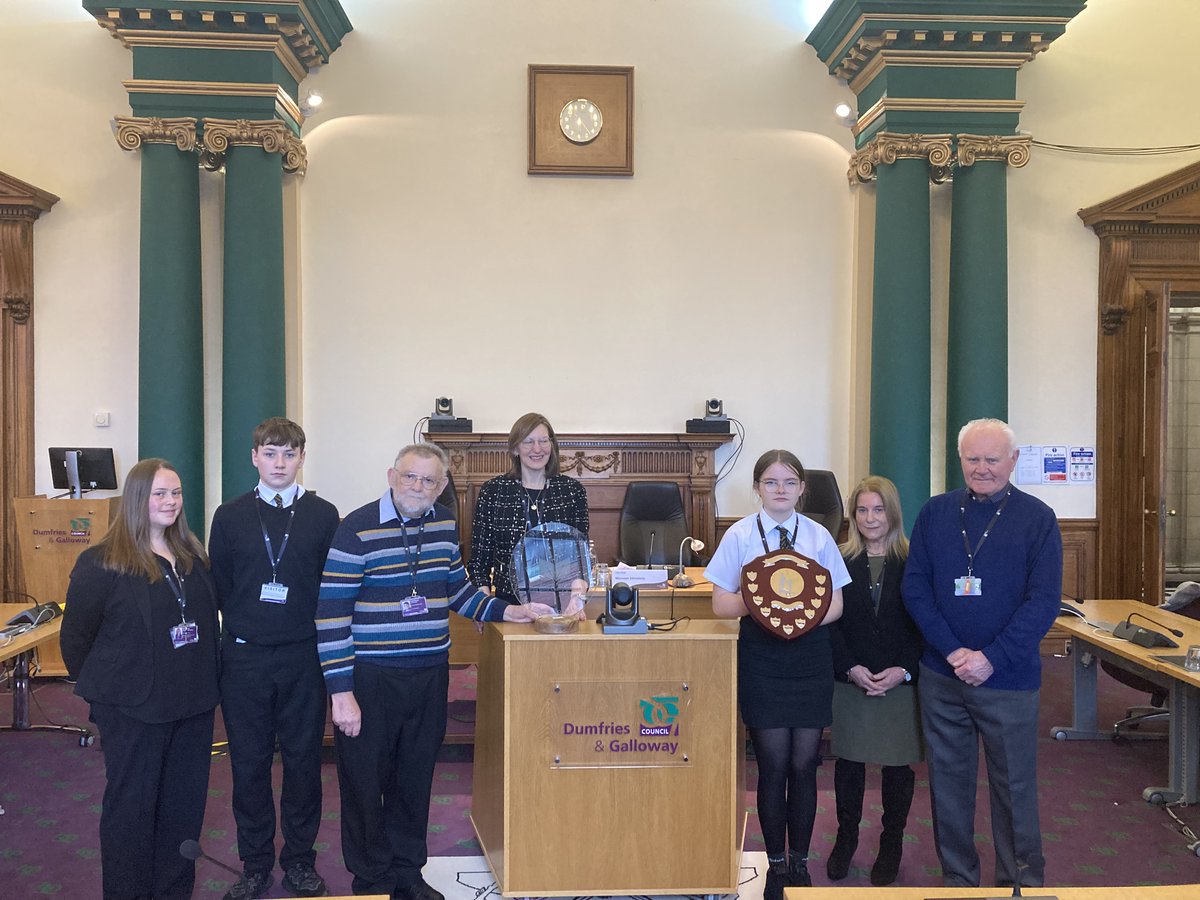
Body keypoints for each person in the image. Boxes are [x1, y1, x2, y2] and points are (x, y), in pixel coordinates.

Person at [316, 443, 552, 900]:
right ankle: (371, 882)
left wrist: (512, 611)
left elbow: (458, 591)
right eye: (410, 477)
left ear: (442, 486)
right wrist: (340, 692)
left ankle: (407, 876)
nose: (418, 487)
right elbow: (330, 615)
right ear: (391, 475)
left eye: (428, 481)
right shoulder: (356, 528)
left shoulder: (444, 524)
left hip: (428, 674)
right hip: (371, 679)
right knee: (365, 785)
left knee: (415, 779)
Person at [903, 418, 1062, 888]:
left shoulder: (1038, 519)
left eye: (992, 459)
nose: (982, 468)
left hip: (1009, 680)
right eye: (973, 458)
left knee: (1013, 789)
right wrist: (954, 652)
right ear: (960, 460)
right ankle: (958, 880)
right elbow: (916, 590)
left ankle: (1021, 885)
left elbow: (1043, 602)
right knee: (948, 789)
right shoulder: (935, 512)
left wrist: (990, 657)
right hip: (943, 676)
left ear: (1013, 461)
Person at [60, 458, 220, 899]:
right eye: (159, 494)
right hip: (133, 710)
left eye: (176, 493)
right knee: (131, 812)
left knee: (182, 812)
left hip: (192, 706)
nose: (170, 502)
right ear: (137, 500)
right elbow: (76, 640)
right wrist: (108, 695)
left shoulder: (193, 556)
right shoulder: (102, 563)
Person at [704, 449, 848, 898]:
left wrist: (798, 615)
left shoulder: (820, 536)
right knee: (771, 765)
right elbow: (720, 603)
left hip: (809, 658)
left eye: (789, 482)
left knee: (804, 765)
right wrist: (766, 603)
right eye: (771, 482)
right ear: (757, 488)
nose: (780, 490)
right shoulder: (741, 535)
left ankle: (801, 863)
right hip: (763, 658)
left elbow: (836, 605)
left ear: (803, 489)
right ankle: (776, 864)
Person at [208, 417, 340, 900]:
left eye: (289, 454)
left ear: (302, 457)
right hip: (244, 661)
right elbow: (219, 587)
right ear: (254, 457)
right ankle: (255, 863)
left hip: (304, 658)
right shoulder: (229, 515)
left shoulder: (325, 515)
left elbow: (332, 588)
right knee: (249, 764)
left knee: (305, 763)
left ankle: (300, 862)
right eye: (270, 453)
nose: (279, 463)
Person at [827, 476, 923, 885]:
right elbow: (828, 625)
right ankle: (846, 837)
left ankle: (891, 842)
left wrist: (903, 670)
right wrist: (850, 667)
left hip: (900, 681)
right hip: (853, 680)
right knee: (848, 764)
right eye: (862, 510)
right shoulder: (838, 561)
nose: (870, 518)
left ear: (893, 513)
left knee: (898, 768)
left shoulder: (915, 560)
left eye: (878, 509)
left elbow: (926, 625)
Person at [469, 412, 589, 605]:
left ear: (552, 445)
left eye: (543, 441)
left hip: (561, 602)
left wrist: (577, 599)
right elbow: (479, 560)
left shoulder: (571, 492)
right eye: (528, 442)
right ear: (516, 448)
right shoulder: (493, 492)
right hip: (508, 603)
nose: (537, 449)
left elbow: (579, 557)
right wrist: (482, 605)